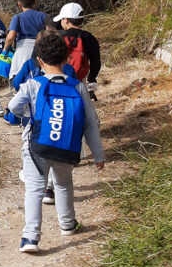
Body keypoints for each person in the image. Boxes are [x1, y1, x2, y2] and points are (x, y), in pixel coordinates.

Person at [7, 30, 104, 253]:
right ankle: (68, 224)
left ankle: (31, 237)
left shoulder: (34, 84)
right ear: (67, 58)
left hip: (37, 147)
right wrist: (98, 154)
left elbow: (13, 106)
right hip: (66, 146)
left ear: (39, 60)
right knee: (63, 184)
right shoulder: (78, 87)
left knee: (34, 189)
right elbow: (91, 122)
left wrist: (27, 115)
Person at [54, 2, 101, 100]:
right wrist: (91, 78)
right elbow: (96, 62)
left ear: (66, 20)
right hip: (80, 80)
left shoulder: (57, 37)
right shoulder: (89, 38)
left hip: (58, 80)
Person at [5, 0, 48, 88]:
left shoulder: (18, 17)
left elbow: (11, 36)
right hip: (41, 48)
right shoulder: (43, 16)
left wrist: (5, 48)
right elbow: (51, 32)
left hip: (23, 50)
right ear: (34, 2)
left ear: (19, 4)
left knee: (20, 80)